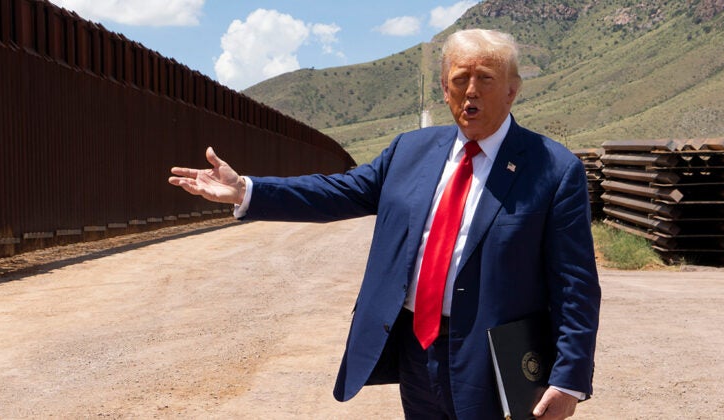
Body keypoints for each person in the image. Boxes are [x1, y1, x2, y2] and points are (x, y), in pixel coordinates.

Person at [169, 29, 600, 420]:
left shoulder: (552, 169)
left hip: (492, 357)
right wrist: (246, 190)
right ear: (444, 90)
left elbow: (575, 285)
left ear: (512, 90)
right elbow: (337, 192)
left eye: (485, 78)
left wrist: (569, 379)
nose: (471, 91)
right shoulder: (410, 151)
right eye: (459, 79)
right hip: (416, 348)